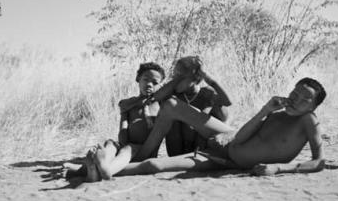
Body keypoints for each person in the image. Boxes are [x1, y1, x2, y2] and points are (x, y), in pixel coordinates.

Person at [115, 77, 327, 177]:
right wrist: (264, 111)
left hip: (230, 160)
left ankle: (100, 170)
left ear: (314, 106)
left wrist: (279, 168)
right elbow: (245, 134)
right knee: (171, 105)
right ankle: (141, 152)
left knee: (155, 166)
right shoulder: (278, 113)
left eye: (304, 99)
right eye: (294, 94)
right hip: (229, 139)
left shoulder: (308, 120)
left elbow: (318, 162)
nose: (296, 100)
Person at [164, 56, 232, 156]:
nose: (175, 80)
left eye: (180, 76)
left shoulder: (207, 94)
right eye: (174, 75)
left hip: (202, 151)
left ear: (195, 77)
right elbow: (155, 97)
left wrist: (208, 78)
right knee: (171, 114)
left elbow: (227, 102)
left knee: (216, 112)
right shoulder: (173, 96)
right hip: (177, 152)